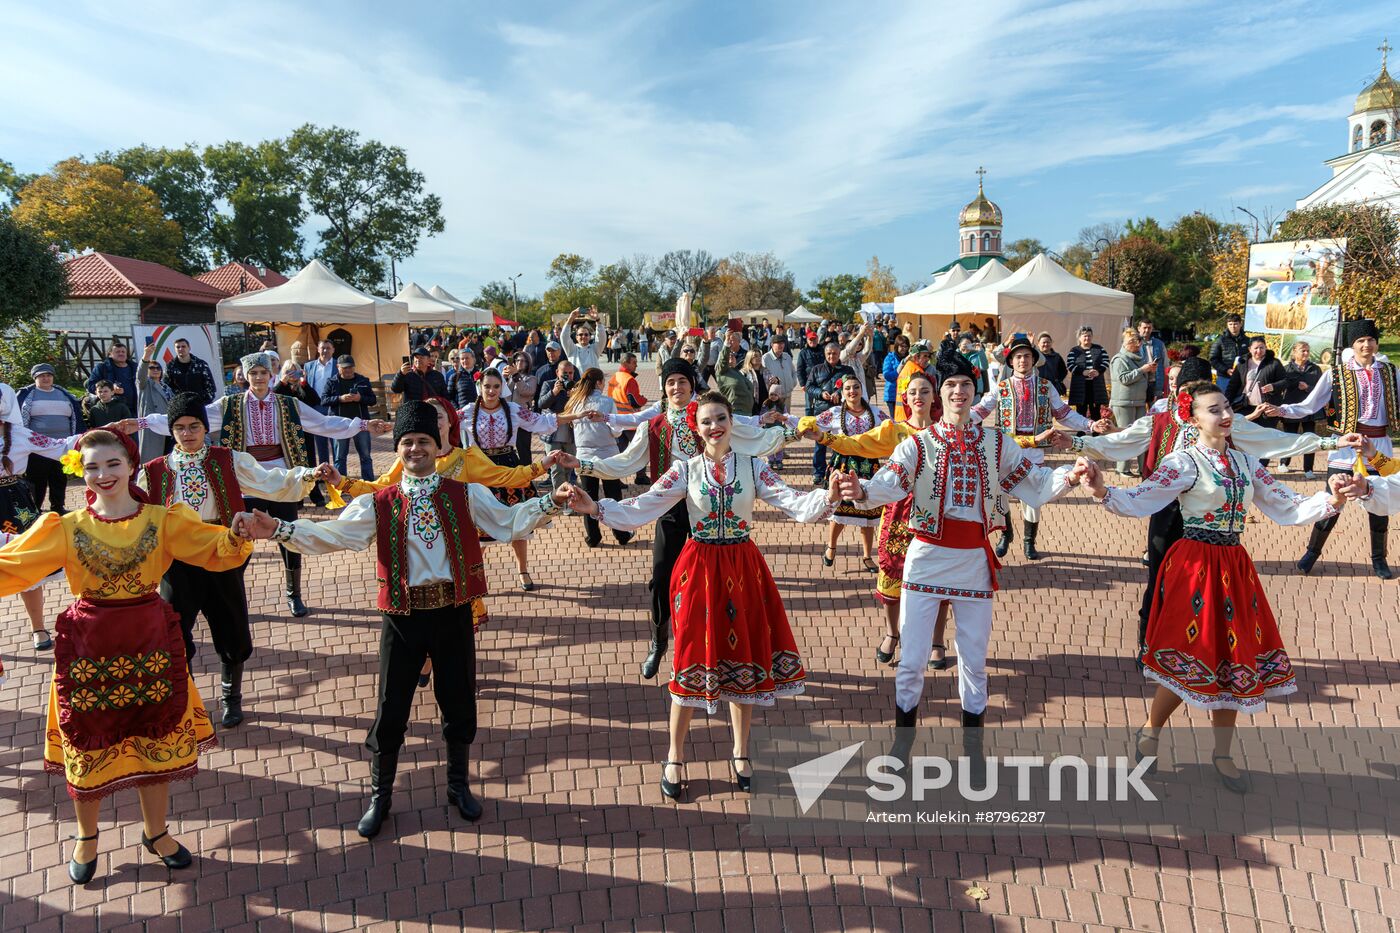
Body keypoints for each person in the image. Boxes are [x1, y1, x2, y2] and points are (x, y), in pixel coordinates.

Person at [234, 402, 572, 835]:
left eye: (423, 441)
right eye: (407, 442)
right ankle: (381, 795)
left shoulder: (465, 494)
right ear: (397, 450)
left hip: (452, 612)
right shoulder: (380, 502)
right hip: (402, 615)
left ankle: (457, 786)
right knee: (391, 706)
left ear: (438, 445)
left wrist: (551, 501)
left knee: (458, 700)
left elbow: (509, 523)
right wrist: (280, 530)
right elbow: (333, 534)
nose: (415, 448)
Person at [0, 429, 252, 883]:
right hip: (90, 649)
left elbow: (214, 550)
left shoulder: (163, 518)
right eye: (92, 466)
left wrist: (235, 532)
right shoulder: (67, 526)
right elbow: (13, 567)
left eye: (113, 464)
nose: (103, 474)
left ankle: (156, 833)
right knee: (88, 742)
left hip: (149, 643)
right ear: (81, 472)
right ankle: (87, 836)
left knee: (152, 744)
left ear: (132, 466)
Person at [1080, 383, 1356, 793]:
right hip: (1193, 567)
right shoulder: (1183, 462)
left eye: (1227, 407)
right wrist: (1103, 490)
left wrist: (1330, 499)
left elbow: (1286, 505)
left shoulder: (1246, 463)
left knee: (1232, 657)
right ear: (1193, 418)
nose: (1225, 415)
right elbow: (1142, 498)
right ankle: (1152, 731)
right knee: (1189, 654)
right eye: (1214, 410)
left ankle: (1222, 753)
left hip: (1233, 566)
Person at [563, 392, 841, 800]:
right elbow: (644, 505)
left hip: (744, 569)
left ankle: (742, 752)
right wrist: (596, 508)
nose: (715, 427)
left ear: (732, 423)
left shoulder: (753, 466)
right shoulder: (685, 470)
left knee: (742, 656)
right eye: (707, 420)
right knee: (691, 656)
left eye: (721, 418)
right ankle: (674, 755)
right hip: (700, 570)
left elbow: (793, 502)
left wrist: (829, 497)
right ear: (696, 427)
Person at [840, 347, 1080, 755]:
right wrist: (861, 492)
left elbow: (1034, 482)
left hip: (972, 561)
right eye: (950, 385)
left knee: (973, 659)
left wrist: (1070, 475)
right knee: (913, 658)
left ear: (975, 390)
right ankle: (902, 746)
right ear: (937, 393)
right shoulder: (920, 444)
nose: (958, 392)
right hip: (927, 558)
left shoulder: (996, 442)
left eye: (966, 384)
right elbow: (889, 482)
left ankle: (973, 750)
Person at [1073, 354, 1354, 665]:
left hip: (1222, 543)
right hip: (1167, 512)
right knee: (1160, 583)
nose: (1222, 413)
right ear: (1186, 403)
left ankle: (1208, 656)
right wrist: (1084, 457)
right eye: (1191, 392)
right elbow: (1124, 458)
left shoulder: (1240, 456)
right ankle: (1150, 648)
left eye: (1223, 404)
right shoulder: (1167, 435)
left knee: (1221, 604)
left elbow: (1279, 456)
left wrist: (1332, 480)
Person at [138, 351, 390, 616]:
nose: (258, 378)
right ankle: (235, 591)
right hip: (246, 481)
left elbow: (323, 423)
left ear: (272, 375)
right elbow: (185, 420)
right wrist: (142, 422)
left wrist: (362, 424)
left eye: (263, 373)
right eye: (253, 373)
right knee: (240, 534)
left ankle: (294, 594)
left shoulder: (287, 404)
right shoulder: (229, 404)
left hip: (281, 479)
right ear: (245, 377)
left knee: (290, 532)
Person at [582, 358, 788, 678]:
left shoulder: (707, 414)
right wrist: (584, 465)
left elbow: (742, 424)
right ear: (664, 388)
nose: (676, 387)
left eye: (681, 380)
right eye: (670, 382)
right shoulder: (656, 423)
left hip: (708, 503)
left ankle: (722, 650)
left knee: (717, 582)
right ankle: (659, 642)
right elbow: (624, 462)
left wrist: (777, 424)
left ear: (692, 383)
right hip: (670, 502)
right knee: (661, 576)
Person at [137, 392, 318, 728]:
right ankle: (185, 698)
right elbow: (135, 515)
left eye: (194, 426)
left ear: (205, 428)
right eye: (179, 427)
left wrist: (307, 476)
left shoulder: (227, 459)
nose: (187, 433)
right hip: (176, 561)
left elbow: (270, 481)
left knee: (230, 624)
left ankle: (230, 696)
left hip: (223, 551)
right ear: (171, 432)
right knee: (173, 629)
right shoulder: (154, 472)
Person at [802, 370, 948, 667]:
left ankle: (937, 641)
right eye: (913, 391)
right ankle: (893, 634)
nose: (918, 396)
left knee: (938, 580)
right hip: (898, 513)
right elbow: (857, 444)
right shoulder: (894, 431)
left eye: (924, 391)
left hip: (938, 516)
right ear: (904, 398)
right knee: (891, 575)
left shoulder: (947, 431)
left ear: (935, 397)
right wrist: (823, 437)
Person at [1264, 318, 1399, 579]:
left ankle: (1379, 559)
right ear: (1353, 345)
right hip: (1345, 447)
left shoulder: (1390, 372)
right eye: (1360, 341)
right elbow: (1310, 405)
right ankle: (1311, 553)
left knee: (1380, 504)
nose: (1366, 345)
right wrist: (1282, 410)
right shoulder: (1335, 374)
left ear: (1377, 343)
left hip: (1379, 446)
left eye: (1370, 340)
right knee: (1333, 501)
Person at [971, 335, 1104, 560]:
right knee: (1002, 494)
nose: (1022, 360)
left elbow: (1063, 413)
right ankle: (1006, 534)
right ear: (1011, 361)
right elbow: (981, 410)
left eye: (1027, 356)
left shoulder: (1045, 386)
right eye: (1018, 357)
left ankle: (1028, 541)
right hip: (1006, 449)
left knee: (1032, 496)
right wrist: (955, 419)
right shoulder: (1002, 387)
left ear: (1034, 360)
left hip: (1034, 450)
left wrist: (1090, 424)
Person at [462, 367, 593, 590]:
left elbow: (544, 421)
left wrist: (577, 415)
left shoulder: (512, 409)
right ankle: (474, 577)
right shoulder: (467, 412)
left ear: (501, 388)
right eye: (487, 386)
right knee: (479, 528)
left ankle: (523, 571)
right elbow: (441, 421)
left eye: (496, 386)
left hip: (511, 470)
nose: (491, 391)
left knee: (519, 524)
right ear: (479, 388)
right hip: (481, 472)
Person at [0, 410, 87, 653]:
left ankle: (38, 628)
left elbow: (57, 446)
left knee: (26, 563)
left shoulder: (16, 432)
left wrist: (94, 435)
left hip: (13, 502)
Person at [809, 376, 886, 571]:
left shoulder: (875, 413)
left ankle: (868, 556)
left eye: (856, 387)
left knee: (868, 512)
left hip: (869, 466)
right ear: (842, 393)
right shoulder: (835, 413)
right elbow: (813, 424)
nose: (853, 391)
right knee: (839, 511)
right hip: (843, 465)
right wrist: (790, 422)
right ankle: (831, 546)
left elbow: (892, 429)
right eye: (848, 388)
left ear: (862, 390)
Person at [562, 369, 631, 548]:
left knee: (588, 495)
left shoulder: (575, 402)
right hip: (608, 454)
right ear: (600, 382)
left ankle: (593, 536)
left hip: (584, 455)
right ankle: (621, 533)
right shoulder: (607, 402)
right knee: (614, 495)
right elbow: (616, 430)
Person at [19, 364, 86, 513]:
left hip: (62, 446)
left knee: (59, 478)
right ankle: (35, 509)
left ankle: (58, 507)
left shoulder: (64, 394)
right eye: (41, 376)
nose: (46, 378)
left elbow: (75, 416)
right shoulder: (27, 396)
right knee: (37, 480)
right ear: (35, 378)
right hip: (38, 447)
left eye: (48, 375)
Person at [804, 342, 856, 485]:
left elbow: (853, 385)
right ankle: (818, 472)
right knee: (820, 443)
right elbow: (809, 387)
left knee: (839, 442)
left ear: (839, 354)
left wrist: (839, 393)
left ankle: (838, 470)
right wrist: (821, 393)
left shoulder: (847, 370)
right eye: (829, 353)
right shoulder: (817, 369)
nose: (831, 356)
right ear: (825, 354)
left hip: (841, 411)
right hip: (822, 410)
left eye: (834, 353)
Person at [1109, 327, 1159, 476]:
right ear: (1125, 344)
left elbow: (1142, 378)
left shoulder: (1140, 359)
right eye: (1133, 341)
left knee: (1142, 435)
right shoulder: (1119, 359)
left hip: (1139, 401)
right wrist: (1143, 370)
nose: (1137, 344)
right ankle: (1122, 468)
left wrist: (1150, 371)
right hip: (1123, 402)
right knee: (1125, 435)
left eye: (1139, 341)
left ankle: (1144, 468)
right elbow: (1124, 379)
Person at [322, 355, 378, 481]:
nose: (348, 370)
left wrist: (360, 398)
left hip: (361, 423)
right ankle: (340, 484)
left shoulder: (363, 380)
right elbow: (324, 400)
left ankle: (368, 483)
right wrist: (340, 399)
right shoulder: (331, 381)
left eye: (350, 367)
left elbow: (373, 400)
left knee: (365, 455)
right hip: (339, 424)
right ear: (338, 367)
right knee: (340, 457)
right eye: (344, 368)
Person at [1225, 334, 1287, 435]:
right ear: (1250, 349)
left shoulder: (1274, 363)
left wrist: (1273, 386)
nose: (1259, 351)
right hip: (1245, 407)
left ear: (1266, 348)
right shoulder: (1242, 363)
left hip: (1267, 407)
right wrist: (1226, 403)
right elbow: (1233, 385)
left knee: (1265, 436)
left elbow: (1286, 381)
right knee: (1247, 436)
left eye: (1261, 347)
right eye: (1256, 348)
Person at [1279, 341, 1323, 478]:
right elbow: (1279, 387)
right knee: (1289, 438)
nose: (1306, 353)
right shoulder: (1286, 369)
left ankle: (1308, 469)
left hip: (1310, 410)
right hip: (1291, 409)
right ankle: (1283, 463)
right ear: (1294, 352)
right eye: (1302, 350)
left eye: (1307, 351)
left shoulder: (1315, 369)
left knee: (1310, 439)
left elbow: (1320, 390)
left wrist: (1307, 388)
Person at [304, 340, 340, 470]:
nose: (325, 351)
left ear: (333, 350)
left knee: (336, 442)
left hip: (333, 407)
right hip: (316, 408)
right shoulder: (309, 366)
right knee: (320, 443)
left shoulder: (338, 365)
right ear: (318, 350)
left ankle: (337, 472)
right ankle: (324, 472)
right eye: (322, 348)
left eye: (328, 348)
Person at [137, 345, 175, 463]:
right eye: (152, 367)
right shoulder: (145, 385)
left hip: (167, 425)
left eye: (158, 368)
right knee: (152, 460)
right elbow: (140, 375)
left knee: (168, 458)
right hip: (152, 426)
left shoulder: (166, 387)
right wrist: (146, 356)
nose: (155, 369)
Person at [1066, 326, 1110, 423]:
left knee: (1095, 410)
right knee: (1080, 410)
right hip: (1080, 386)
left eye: (1089, 336)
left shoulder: (1099, 349)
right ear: (1079, 338)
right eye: (1085, 336)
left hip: (1095, 385)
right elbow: (1070, 365)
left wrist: (1098, 371)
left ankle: (1096, 432)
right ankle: (1081, 431)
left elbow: (1106, 361)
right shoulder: (1074, 351)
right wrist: (1082, 372)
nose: (1087, 338)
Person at [164, 338, 217, 405]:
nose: (180, 349)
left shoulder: (201, 364)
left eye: (183, 346)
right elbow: (166, 387)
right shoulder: (170, 366)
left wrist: (205, 402)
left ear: (189, 348)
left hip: (201, 405)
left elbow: (211, 387)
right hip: (180, 406)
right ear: (175, 349)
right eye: (178, 347)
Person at [893, 340, 933, 423]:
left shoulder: (906, 368)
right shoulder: (917, 372)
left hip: (900, 415)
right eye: (924, 356)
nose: (927, 359)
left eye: (928, 356)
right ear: (915, 357)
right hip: (911, 417)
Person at [1210, 313, 1251, 390]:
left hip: (1242, 377)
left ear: (1240, 324)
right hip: (1224, 377)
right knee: (1223, 400)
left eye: (1235, 324)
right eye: (1230, 324)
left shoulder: (1248, 341)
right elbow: (1213, 359)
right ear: (1227, 325)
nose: (1233, 327)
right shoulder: (1220, 341)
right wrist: (1226, 370)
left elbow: (1252, 357)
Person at [761, 333, 797, 416]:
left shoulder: (787, 356)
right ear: (772, 344)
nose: (781, 345)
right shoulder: (766, 358)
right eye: (778, 343)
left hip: (787, 394)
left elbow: (793, 372)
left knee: (787, 418)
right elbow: (764, 376)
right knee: (774, 419)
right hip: (774, 397)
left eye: (782, 343)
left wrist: (793, 383)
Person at [561, 308, 606, 373]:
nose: (583, 336)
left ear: (590, 337)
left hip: (592, 382)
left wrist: (597, 319)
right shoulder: (572, 349)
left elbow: (602, 336)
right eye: (580, 334)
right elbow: (564, 336)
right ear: (576, 337)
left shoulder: (594, 349)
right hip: (576, 382)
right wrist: (571, 318)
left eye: (586, 334)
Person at [1136, 320, 1168, 400]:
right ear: (1139, 328)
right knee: (1140, 408)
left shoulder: (1159, 344)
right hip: (1139, 381)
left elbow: (1166, 364)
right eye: (1144, 328)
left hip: (1155, 381)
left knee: (1156, 409)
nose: (1147, 330)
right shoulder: (1133, 343)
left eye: (1149, 328)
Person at [882, 335, 910, 419]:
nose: (904, 349)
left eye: (906, 346)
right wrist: (898, 370)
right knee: (895, 419)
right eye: (902, 346)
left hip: (906, 394)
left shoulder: (910, 358)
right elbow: (887, 375)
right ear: (896, 346)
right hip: (892, 395)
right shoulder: (890, 358)